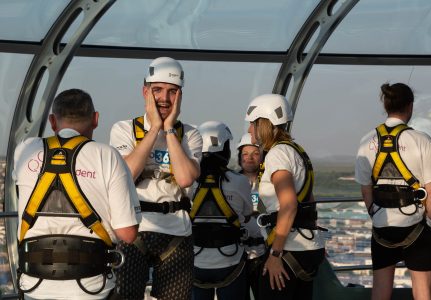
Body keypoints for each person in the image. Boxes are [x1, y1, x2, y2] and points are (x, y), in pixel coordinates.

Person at [13, 89, 140, 299]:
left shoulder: (26, 150)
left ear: (53, 121)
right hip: (91, 288)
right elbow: (127, 233)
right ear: (96, 119)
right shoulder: (107, 156)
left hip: (35, 286)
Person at [110, 57, 203, 300]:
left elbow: (184, 179)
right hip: (135, 230)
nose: (164, 98)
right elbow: (126, 174)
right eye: (157, 90)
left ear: (180, 96)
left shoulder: (189, 134)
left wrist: (169, 129)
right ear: (145, 92)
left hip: (176, 232)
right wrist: (153, 129)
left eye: (172, 92)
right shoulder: (124, 129)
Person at [355, 83, 431, 300]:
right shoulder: (421, 140)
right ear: (410, 106)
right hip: (417, 226)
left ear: (386, 105)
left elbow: (366, 191)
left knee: (381, 290)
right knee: (423, 291)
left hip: (382, 225)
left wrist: (376, 214)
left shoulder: (366, 142)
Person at [244, 94, 325, 300]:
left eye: (253, 124)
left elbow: (289, 205)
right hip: (307, 246)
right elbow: (309, 199)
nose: (249, 130)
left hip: (289, 249)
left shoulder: (277, 154)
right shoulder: (295, 151)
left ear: (263, 124)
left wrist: (275, 255)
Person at [190, 121, 252, 300]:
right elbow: (247, 214)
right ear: (225, 150)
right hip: (230, 261)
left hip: (196, 262)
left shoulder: (189, 181)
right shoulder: (239, 181)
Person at [236, 133, 266, 300]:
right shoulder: (230, 183)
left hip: (264, 253)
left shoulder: (270, 182)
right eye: (245, 154)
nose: (250, 158)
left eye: (255, 154)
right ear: (239, 157)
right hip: (239, 253)